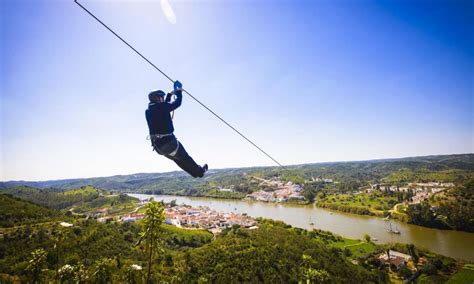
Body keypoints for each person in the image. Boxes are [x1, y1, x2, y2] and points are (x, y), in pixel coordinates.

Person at [145, 80, 208, 178]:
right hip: (169, 143)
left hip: (159, 147)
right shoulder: (161, 107)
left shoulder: (149, 111)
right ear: (156, 98)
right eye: (161, 97)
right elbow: (177, 103)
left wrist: (169, 95)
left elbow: (164, 107)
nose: (162, 98)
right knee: (185, 158)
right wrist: (179, 92)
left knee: (178, 159)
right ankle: (199, 172)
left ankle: (196, 173)